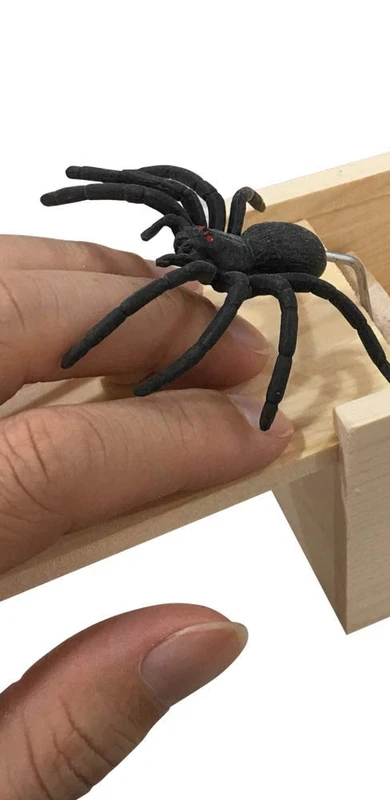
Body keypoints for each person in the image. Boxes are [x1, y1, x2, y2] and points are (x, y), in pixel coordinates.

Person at [0, 235, 293, 798]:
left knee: (197, 311)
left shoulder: (264, 281)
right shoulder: (207, 236)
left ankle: (168, 370)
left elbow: (255, 309)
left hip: (271, 261)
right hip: (243, 252)